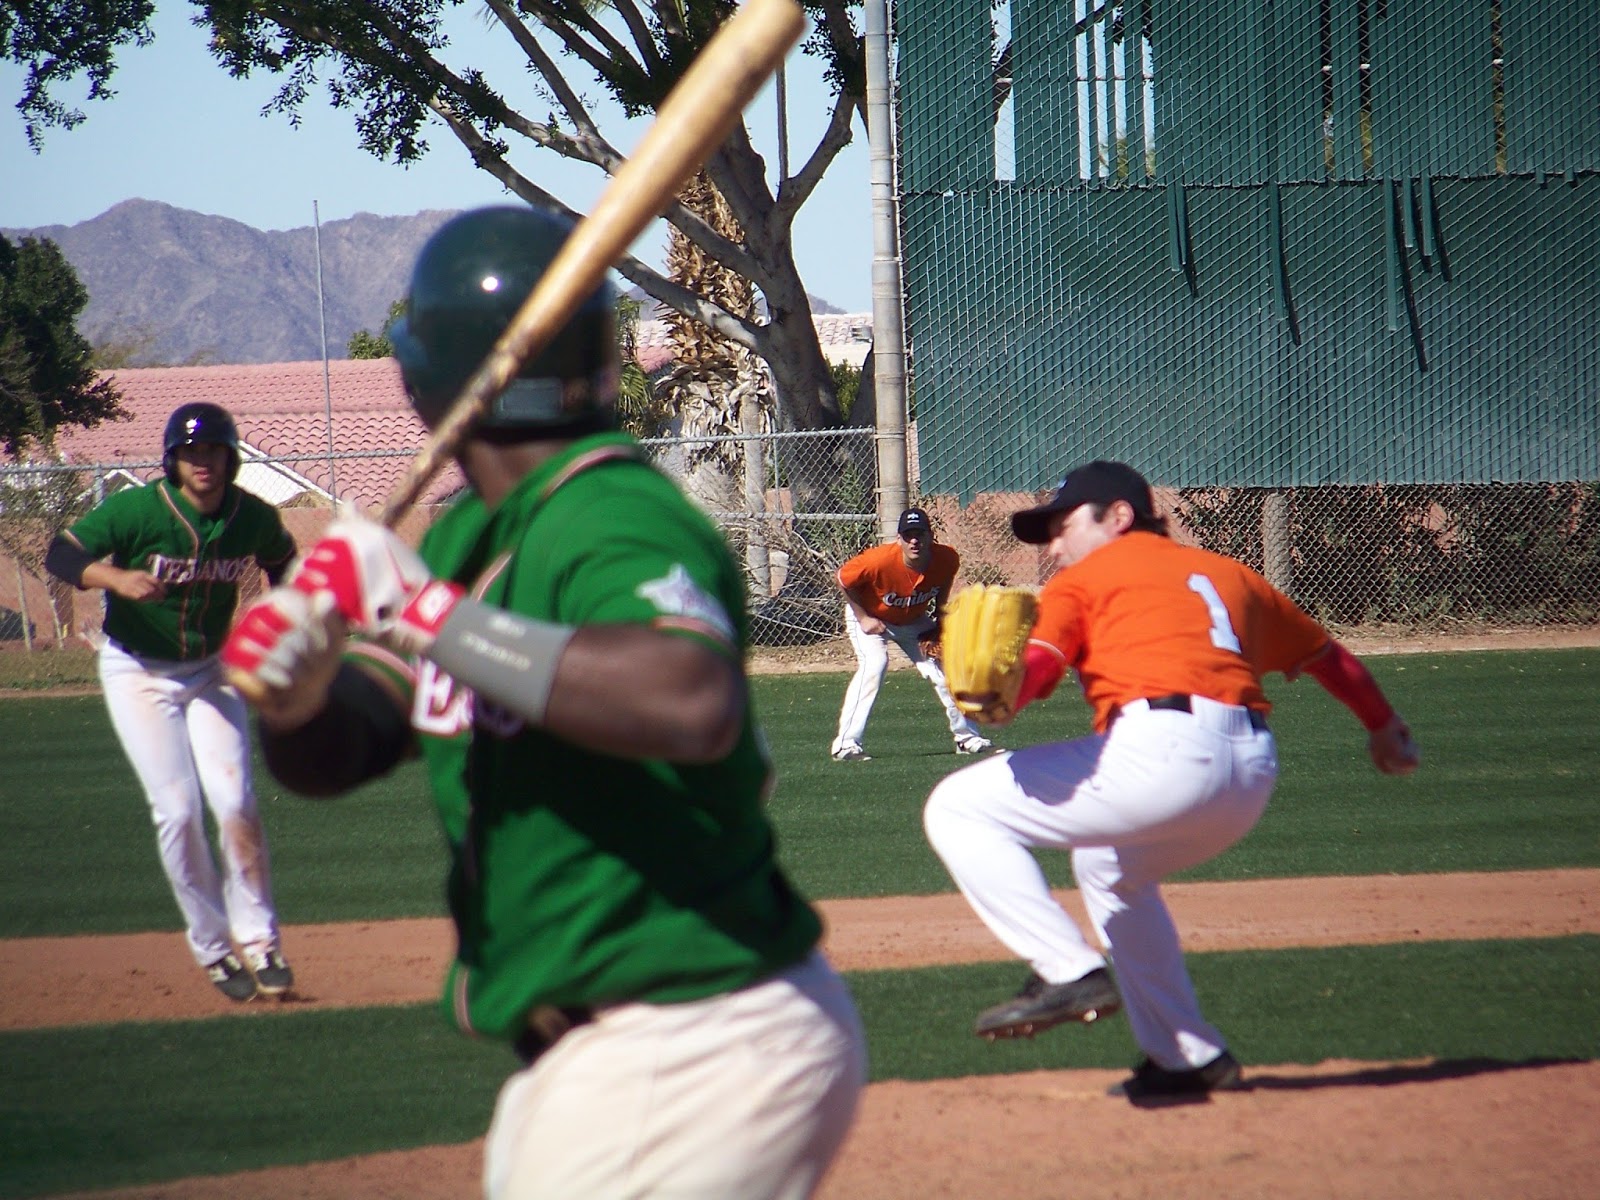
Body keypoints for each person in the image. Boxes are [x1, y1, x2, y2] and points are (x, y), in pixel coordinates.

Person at [220, 206, 866, 1199]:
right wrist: (298, 699)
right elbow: (343, 754)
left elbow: (688, 699)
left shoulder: (612, 513)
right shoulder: (469, 535)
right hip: (597, 1059)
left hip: (695, 1036)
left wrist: (420, 610)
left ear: (423, 380)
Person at [921, 460, 1419, 1101]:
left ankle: (1067, 970)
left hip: (1160, 756)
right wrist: (1384, 726)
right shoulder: (1227, 573)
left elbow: (1039, 672)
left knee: (957, 806)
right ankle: (1187, 1055)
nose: (1054, 543)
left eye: (1063, 524)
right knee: (1107, 867)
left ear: (1119, 516)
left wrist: (1000, 698)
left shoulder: (1087, 577)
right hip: (1249, 774)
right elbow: (1327, 658)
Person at [44, 402, 298, 1003]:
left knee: (236, 801)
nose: (201, 461)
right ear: (172, 460)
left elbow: (283, 564)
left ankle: (261, 942)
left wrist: (278, 621)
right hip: (137, 671)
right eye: (190, 453)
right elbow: (62, 554)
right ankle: (212, 947)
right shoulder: (139, 510)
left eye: (211, 450)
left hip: (213, 671)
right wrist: (115, 579)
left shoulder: (252, 517)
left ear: (230, 457)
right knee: (178, 811)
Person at [830, 506, 992, 761]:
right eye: (908, 535)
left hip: (912, 620)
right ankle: (845, 745)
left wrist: (940, 619)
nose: (914, 541)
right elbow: (843, 579)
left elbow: (943, 583)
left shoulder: (947, 558)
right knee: (875, 664)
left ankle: (967, 738)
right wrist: (863, 618)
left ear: (930, 536)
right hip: (870, 618)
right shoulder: (878, 560)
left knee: (947, 670)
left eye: (920, 534)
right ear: (899, 539)